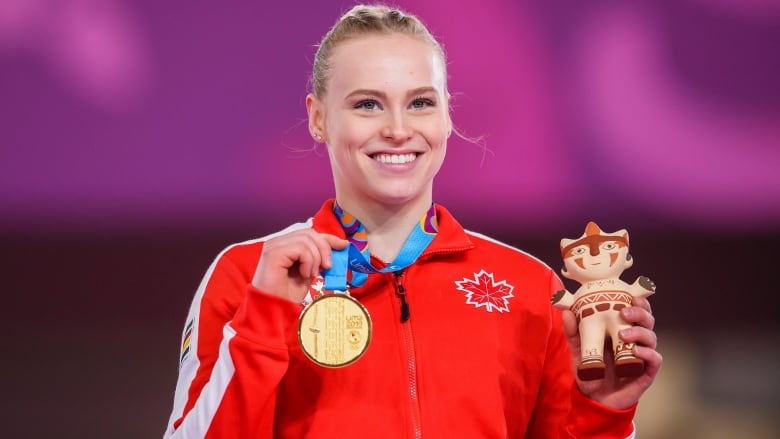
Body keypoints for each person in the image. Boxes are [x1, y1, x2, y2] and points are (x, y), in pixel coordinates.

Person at [162, 4, 662, 438]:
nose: (398, 129)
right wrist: (263, 318)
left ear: (447, 117)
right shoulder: (251, 274)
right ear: (318, 118)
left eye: (421, 103)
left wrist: (603, 413)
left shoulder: (529, 288)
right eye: (367, 104)